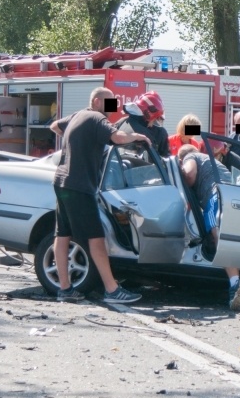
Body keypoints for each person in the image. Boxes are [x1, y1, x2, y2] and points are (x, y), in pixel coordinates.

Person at [50, 87, 152, 304]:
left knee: (62, 234)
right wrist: (137, 136)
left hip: (62, 182)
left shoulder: (78, 116)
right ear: (97, 101)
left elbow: (55, 126)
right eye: (109, 103)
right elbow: (118, 137)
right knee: (96, 238)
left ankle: (65, 289)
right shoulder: (97, 118)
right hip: (80, 186)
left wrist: (78, 143)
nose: (112, 108)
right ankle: (112, 290)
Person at [178, 143, 240, 310]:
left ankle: (234, 283)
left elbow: (189, 174)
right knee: (230, 237)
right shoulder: (212, 161)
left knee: (218, 236)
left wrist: (180, 175)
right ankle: (236, 281)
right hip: (233, 195)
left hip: (215, 195)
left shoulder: (191, 157)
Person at [115, 91, 170, 157]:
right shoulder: (144, 135)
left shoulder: (121, 122)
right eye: (156, 118)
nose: (155, 122)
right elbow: (152, 160)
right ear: (149, 114)